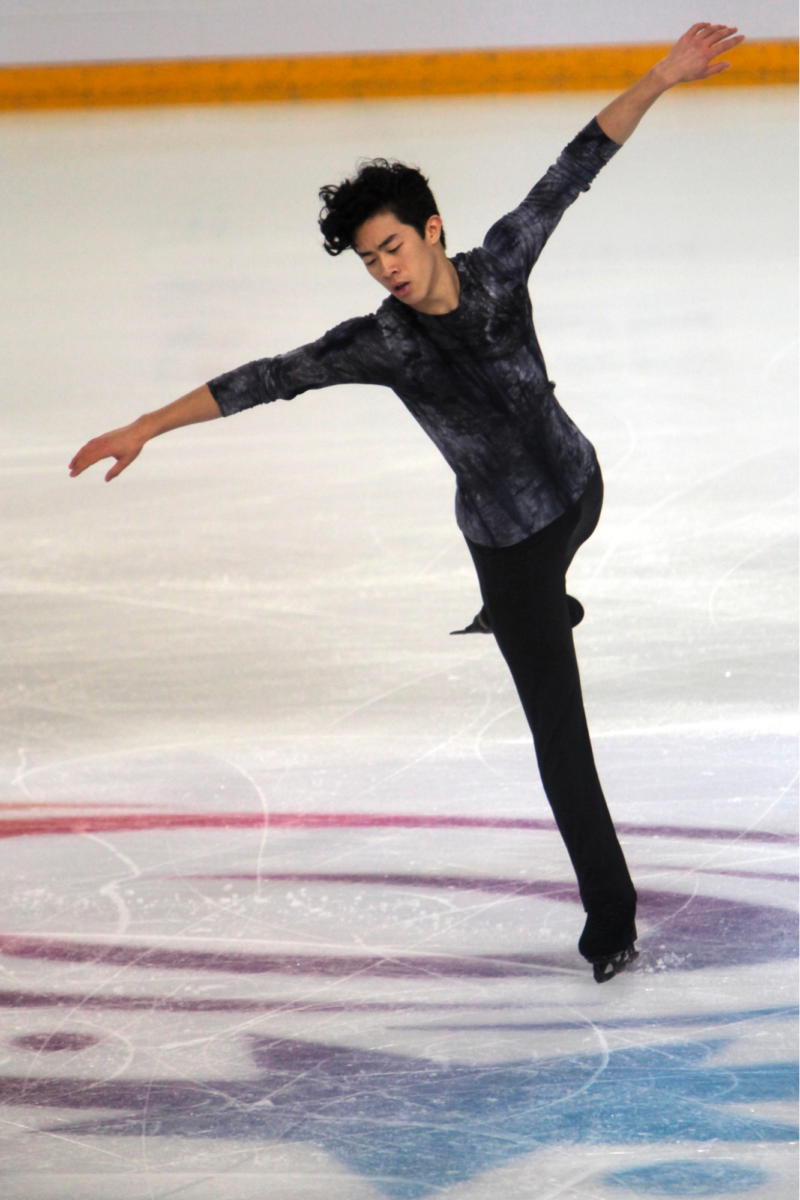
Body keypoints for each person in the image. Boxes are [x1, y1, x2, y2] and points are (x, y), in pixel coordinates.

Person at [69, 23, 744, 982]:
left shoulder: (503, 264)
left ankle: (549, 602)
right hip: (508, 547)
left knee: (555, 578)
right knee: (562, 740)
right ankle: (612, 920)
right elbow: (267, 376)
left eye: (392, 245)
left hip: (579, 487)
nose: (384, 268)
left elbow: (576, 164)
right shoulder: (379, 343)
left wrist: (662, 76)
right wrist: (147, 420)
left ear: (431, 229)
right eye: (367, 258)